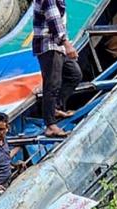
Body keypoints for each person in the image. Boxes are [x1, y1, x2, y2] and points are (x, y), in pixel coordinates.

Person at [32, 0, 83, 137]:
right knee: (52, 84)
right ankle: (50, 125)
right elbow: (55, 23)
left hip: (57, 46)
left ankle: (55, 108)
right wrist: (67, 45)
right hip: (48, 46)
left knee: (74, 75)